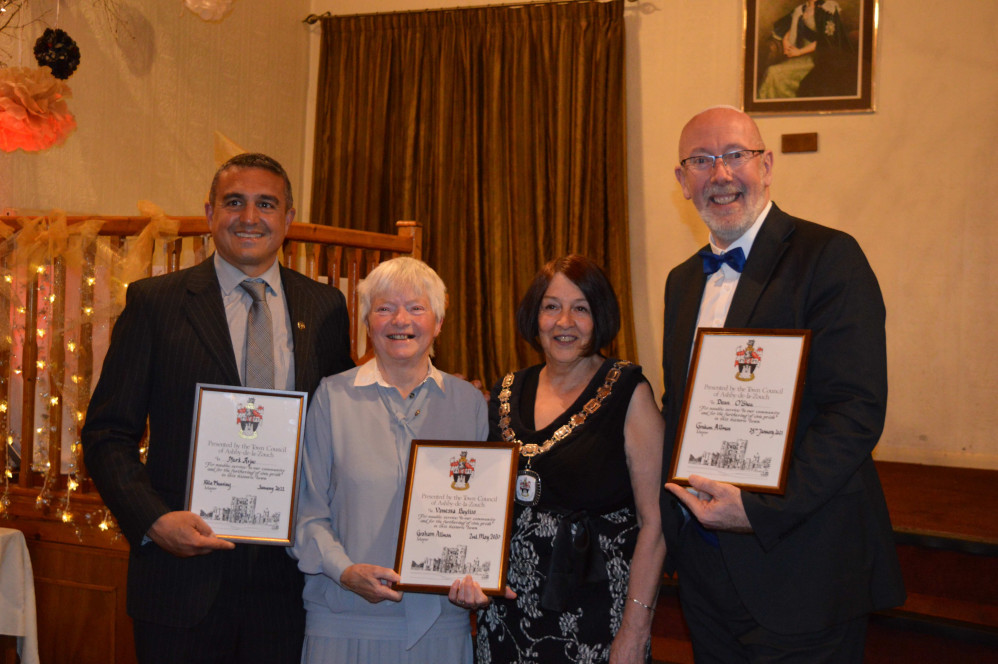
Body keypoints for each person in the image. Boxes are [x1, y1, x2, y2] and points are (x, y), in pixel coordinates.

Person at [81, 153, 353, 664]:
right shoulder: (155, 303)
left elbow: (344, 420)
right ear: (210, 213)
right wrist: (155, 521)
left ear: (288, 218)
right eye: (234, 202)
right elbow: (106, 434)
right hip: (179, 579)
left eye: (265, 204)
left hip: (288, 581)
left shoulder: (323, 308)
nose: (249, 217)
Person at [660, 106, 905, 662]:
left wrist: (760, 510)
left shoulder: (829, 257)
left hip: (802, 569)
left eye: (735, 156)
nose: (720, 174)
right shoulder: (681, 282)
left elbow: (856, 410)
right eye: (701, 161)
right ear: (682, 181)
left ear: (766, 165)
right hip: (706, 570)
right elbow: (682, 408)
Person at [292, 256, 493, 663]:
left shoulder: (469, 403)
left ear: (438, 321)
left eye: (417, 307)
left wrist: (480, 578)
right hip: (343, 620)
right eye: (384, 308)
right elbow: (306, 514)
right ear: (367, 323)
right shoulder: (332, 398)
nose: (400, 319)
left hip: (442, 624)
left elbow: (480, 515)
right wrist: (345, 571)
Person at [472, 255, 666, 663]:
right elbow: (480, 508)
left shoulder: (628, 391)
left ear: (600, 318)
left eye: (581, 308)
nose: (565, 322)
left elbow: (656, 524)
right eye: (551, 306)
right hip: (508, 613)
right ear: (534, 316)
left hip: (599, 615)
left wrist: (635, 630)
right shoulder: (506, 391)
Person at [757, 0, 854, 99]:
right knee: (772, 71)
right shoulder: (800, 10)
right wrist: (786, 42)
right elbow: (791, 30)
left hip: (818, 55)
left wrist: (799, 52)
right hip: (800, 53)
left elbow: (825, 40)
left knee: (775, 72)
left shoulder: (828, 9)